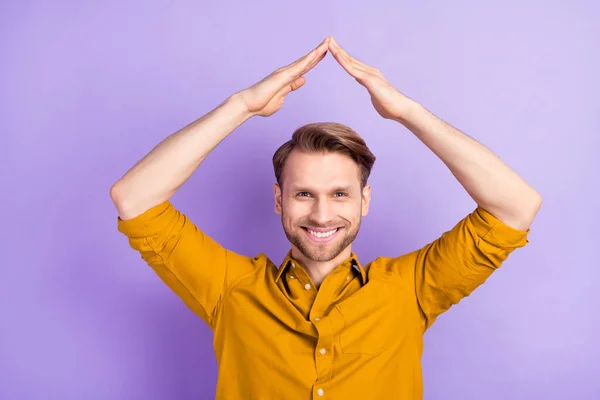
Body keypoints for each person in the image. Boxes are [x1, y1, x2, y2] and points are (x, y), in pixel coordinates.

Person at [110, 36, 542, 399]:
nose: (321, 213)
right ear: (279, 200)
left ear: (364, 200)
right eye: (303, 194)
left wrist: (407, 112)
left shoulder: (411, 290)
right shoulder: (229, 289)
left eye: (339, 194)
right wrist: (242, 105)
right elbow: (133, 197)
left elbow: (516, 205)